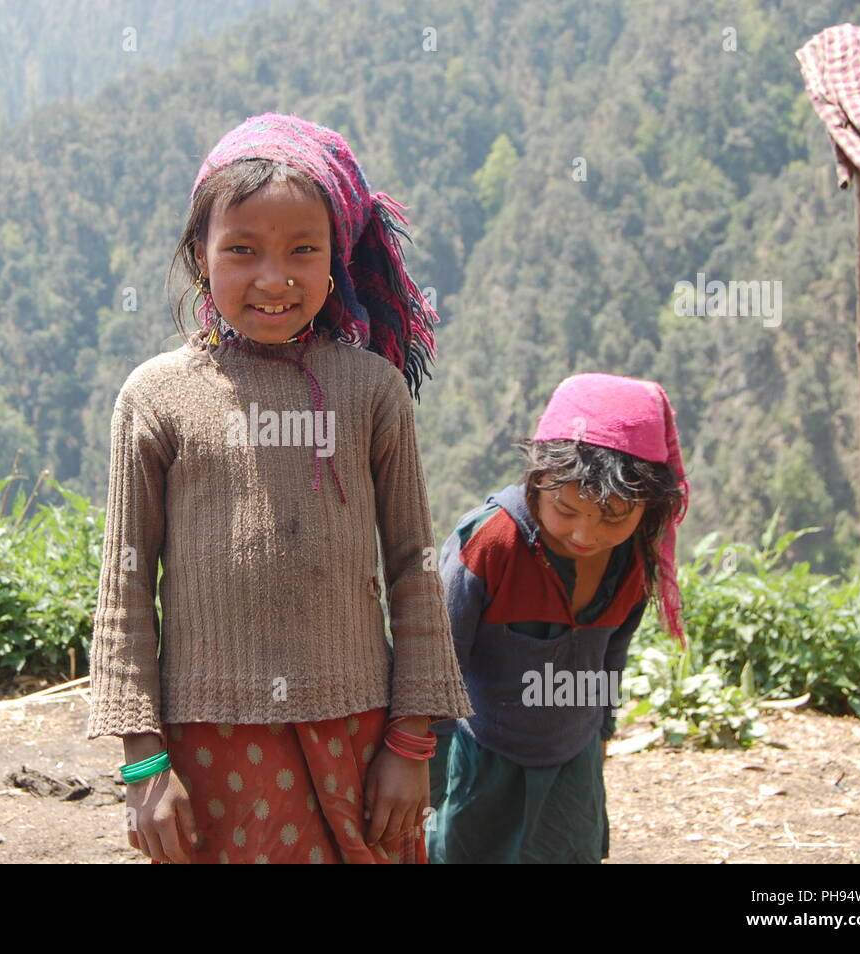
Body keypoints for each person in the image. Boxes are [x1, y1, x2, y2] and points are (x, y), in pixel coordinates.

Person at [86, 112, 473, 864]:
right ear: (200, 257)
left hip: (360, 734)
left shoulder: (371, 391)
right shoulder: (156, 399)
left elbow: (414, 573)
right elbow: (124, 590)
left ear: (338, 261)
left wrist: (412, 743)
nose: (275, 277)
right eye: (241, 250)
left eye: (305, 249)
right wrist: (143, 763)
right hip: (208, 741)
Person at [426, 373, 690, 863]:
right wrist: (431, 774)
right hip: (481, 758)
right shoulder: (491, 544)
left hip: (573, 759)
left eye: (613, 518)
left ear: (648, 510)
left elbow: (611, 655)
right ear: (538, 481)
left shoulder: (632, 560)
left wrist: (602, 732)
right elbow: (438, 664)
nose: (585, 535)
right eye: (565, 509)